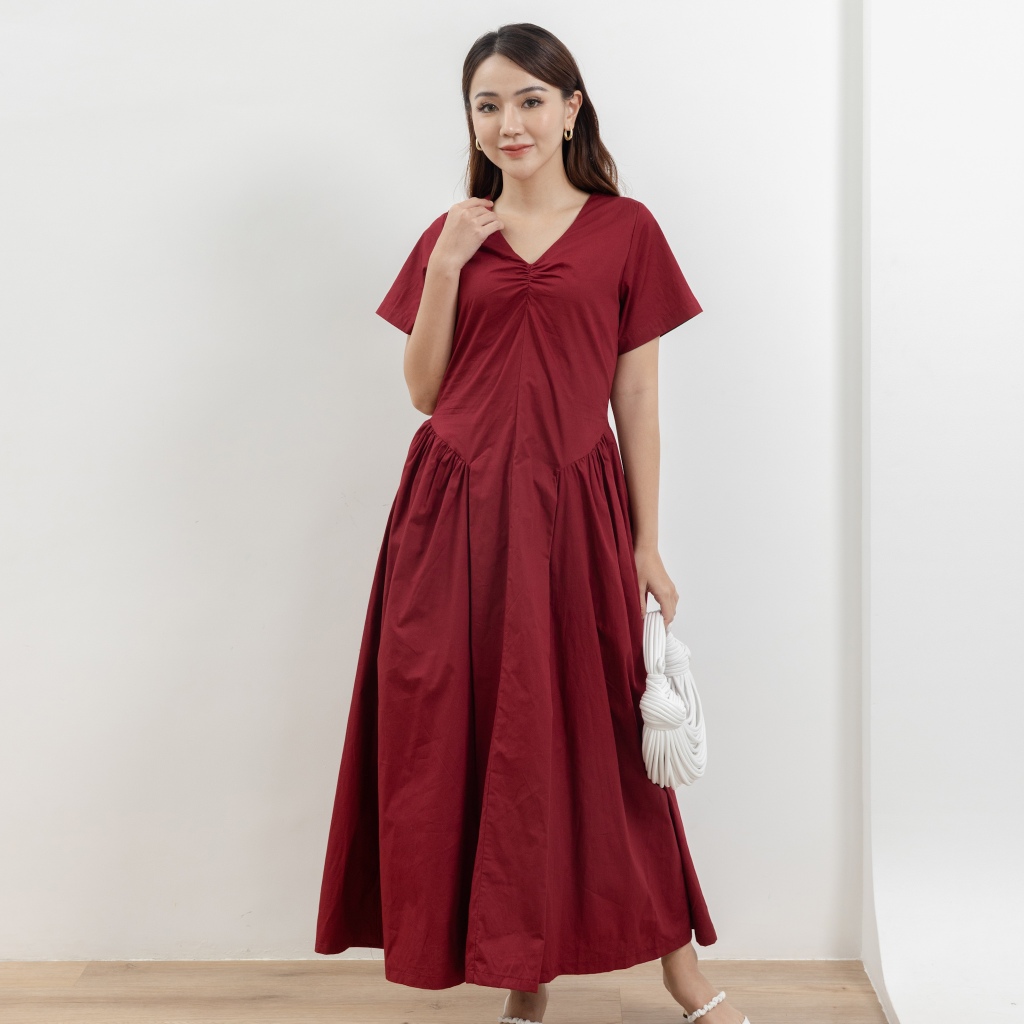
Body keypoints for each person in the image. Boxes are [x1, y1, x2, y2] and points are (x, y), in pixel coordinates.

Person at [315, 22, 750, 1024]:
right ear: (470, 119)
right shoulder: (452, 233)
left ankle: (682, 975)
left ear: (569, 108)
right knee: (470, 734)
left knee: (602, 740)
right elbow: (425, 392)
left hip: (573, 513)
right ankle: (525, 976)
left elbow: (636, 398)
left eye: (527, 100)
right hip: (452, 514)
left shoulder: (626, 229)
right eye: (487, 104)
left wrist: (645, 541)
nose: (508, 122)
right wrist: (444, 267)